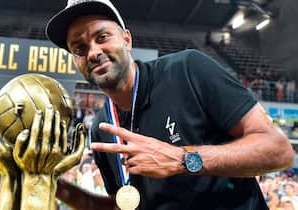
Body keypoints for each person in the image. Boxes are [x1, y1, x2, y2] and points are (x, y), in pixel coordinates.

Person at [44, 0, 295, 209]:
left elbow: (278, 150)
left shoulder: (188, 69)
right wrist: (57, 187)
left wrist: (181, 159)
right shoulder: (102, 126)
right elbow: (120, 206)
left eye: (102, 36)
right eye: (79, 48)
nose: (92, 52)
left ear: (127, 40)